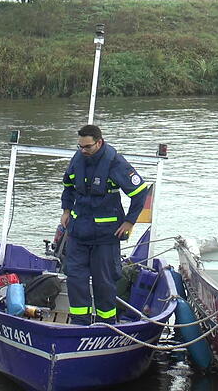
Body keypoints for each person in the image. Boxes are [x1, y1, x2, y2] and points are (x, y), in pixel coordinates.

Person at [60, 124, 149, 325]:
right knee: (75, 278)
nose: (83, 150)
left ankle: (106, 324)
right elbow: (68, 186)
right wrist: (66, 210)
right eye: (80, 146)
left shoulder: (115, 163)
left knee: (104, 282)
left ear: (99, 142)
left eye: (87, 147)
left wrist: (129, 221)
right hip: (78, 233)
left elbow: (140, 192)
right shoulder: (78, 158)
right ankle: (79, 322)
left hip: (106, 237)